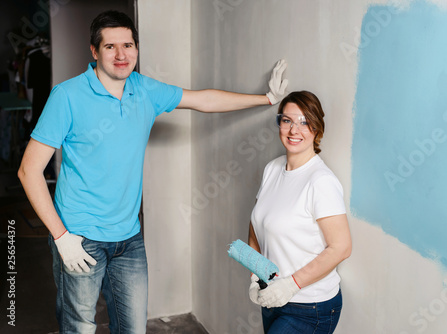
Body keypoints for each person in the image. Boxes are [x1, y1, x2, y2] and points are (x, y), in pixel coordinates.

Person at [17, 10, 288, 334]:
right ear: (94, 51)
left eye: (128, 45)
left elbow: (203, 99)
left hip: (128, 239)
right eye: (110, 46)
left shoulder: (144, 90)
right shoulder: (67, 96)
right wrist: (61, 237)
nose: (121, 55)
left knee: (132, 328)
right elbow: (28, 170)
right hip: (79, 236)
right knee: (79, 328)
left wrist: (268, 98)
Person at [247, 91, 352, 334]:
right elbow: (256, 224)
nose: (295, 130)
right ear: (279, 124)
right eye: (287, 121)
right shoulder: (272, 169)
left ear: (317, 129)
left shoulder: (321, 181)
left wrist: (290, 286)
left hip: (310, 307)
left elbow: (342, 247)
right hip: (272, 297)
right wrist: (256, 275)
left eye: (305, 122)